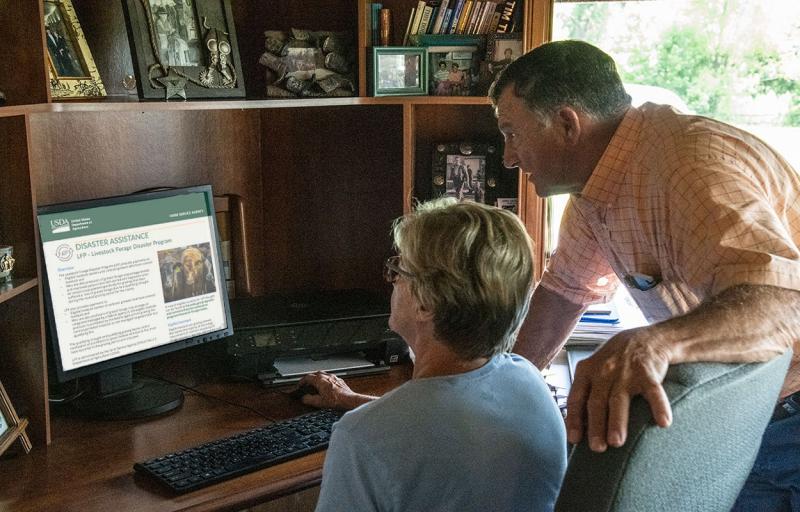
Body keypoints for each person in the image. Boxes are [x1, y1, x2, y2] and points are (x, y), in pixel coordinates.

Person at [489, 39, 800, 510]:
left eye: (512, 133)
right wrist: (494, 389)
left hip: (787, 415)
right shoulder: (598, 189)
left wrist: (653, 342)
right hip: (747, 404)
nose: (509, 157)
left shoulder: (686, 167)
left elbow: (783, 303)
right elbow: (561, 296)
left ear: (568, 124)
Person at [300, 199, 567, 511]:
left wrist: (366, 418)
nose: (393, 280)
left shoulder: (361, 438)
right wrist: (353, 401)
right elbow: (450, 428)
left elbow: (418, 433)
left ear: (426, 304)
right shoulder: (530, 385)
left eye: (398, 270)